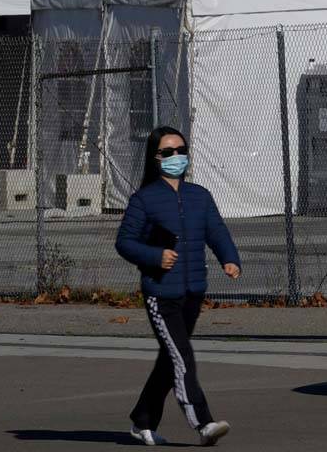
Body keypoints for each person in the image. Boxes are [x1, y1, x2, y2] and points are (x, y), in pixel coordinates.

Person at [115, 126, 241, 447]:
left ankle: (142, 420)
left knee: (170, 360)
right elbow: (125, 243)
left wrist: (230, 258)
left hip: (192, 291)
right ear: (155, 158)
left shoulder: (199, 195)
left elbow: (216, 231)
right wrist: (155, 256)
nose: (176, 157)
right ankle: (203, 423)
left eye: (181, 150)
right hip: (161, 293)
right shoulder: (144, 199)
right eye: (168, 152)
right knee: (182, 357)